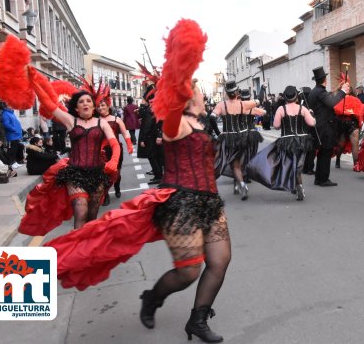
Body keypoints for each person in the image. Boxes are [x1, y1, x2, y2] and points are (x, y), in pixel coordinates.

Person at [45, 19, 229, 343]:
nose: (199, 93)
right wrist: (175, 81)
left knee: (220, 261)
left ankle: (197, 320)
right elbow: (171, 115)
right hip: (181, 204)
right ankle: (152, 298)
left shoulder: (203, 124)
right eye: (195, 90)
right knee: (189, 270)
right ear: (186, 97)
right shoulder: (177, 124)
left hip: (210, 203)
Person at [20, 69, 120, 232]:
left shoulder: (102, 123)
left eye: (88, 101)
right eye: (81, 102)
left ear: (93, 106)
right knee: (80, 210)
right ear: (76, 107)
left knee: (92, 216)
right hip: (75, 173)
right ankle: (78, 248)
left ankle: (88, 250)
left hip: (97, 173)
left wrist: (114, 160)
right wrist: (34, 83)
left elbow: (114, 144)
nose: (85, 103)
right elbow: (49, 103)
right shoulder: (70, 121)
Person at [248, 85, 315, 200]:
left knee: (290, 163)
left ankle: (296, 185)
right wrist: (312, 115)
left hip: (287, 139)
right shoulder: (302, 108)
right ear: (296, 97)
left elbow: (276, 126)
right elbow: (312, 123)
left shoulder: (281, 109)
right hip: (302, 139)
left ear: (285, 97)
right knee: (298, 164)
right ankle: (298, 185)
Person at [213, 80, 261, 200]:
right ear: (236, 92)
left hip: (229, 137)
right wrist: (263, 88)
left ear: (227, 93)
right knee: (238, 163)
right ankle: (238, 184)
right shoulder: (243, 104)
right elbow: (259, 101)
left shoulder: (221, 105)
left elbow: (212, 118)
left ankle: (241, 184)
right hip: (241, 137)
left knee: (234, 164)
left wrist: (219, 133)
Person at [307, 67, 349, 186]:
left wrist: (338, 89)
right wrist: (343, 92)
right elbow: (331, 102)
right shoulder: (320, 92)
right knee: (326, 153)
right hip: (325, 127)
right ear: (325, 79)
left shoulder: (315, 91)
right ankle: (323, 179)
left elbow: (328, 97)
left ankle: (319, 178)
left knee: (322, 153)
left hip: (319, 126)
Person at [97, 96, 134, 201]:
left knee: (116, 173)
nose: (100, 108)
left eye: (103, 105)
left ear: (108, 106)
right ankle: (106, 194)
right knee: (103, 173)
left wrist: (129, 145)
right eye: (98, 106)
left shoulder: (116, 119)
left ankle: (117, 187)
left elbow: (125, 133)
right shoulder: (96, 120)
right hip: (101, 152)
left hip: (116, 151)